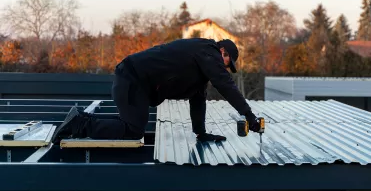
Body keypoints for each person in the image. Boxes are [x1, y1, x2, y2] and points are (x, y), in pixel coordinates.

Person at [51, 38, 262, 144]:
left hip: (135, 83)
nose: (225, 67)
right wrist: (249, 115)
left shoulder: (201, 64)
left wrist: (201, 133)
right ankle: (79, 123)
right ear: (223, 51)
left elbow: (198, 99)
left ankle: (80, 120)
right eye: (227, 62)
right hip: (132, 79)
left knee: (131, 126)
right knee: (133, 131)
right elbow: (225, 85)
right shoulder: (208, 51)